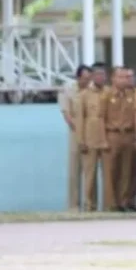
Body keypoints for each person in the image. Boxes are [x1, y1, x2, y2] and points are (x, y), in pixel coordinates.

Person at [102, 67, 136, 212]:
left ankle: (123, 202)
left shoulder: (132, 95)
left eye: (126, 77)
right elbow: (101, 118)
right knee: (111, 171)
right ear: (113, 79)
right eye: (121, 77)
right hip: (112, 134)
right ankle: (111, 203)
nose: (124, 80)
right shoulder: (106, 95)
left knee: (126, 171)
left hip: (128, 135)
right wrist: (102, 140)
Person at [74, 63, 108, 212]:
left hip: (107, 139)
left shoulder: (109, 92)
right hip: (90, 139)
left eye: (103, 74)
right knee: (90, 175)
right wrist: (81, 140)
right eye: (98, 74)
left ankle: (109, 205)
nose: (101, 77)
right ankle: (89, 205)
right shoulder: (84, 95)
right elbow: (79, 119)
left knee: (108, 174)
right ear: (92, 76)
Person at [60, 65, 92, 211]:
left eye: (89, 78)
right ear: (78, 77)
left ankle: (90, 204)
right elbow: (66, 113)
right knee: (74, 170)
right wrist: (78, 129)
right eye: (85, 78)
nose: (87, 81)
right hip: (75, 133)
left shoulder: (92, 90)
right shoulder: (68, 89)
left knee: (90, 171)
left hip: (91, 133)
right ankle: (73, 205)